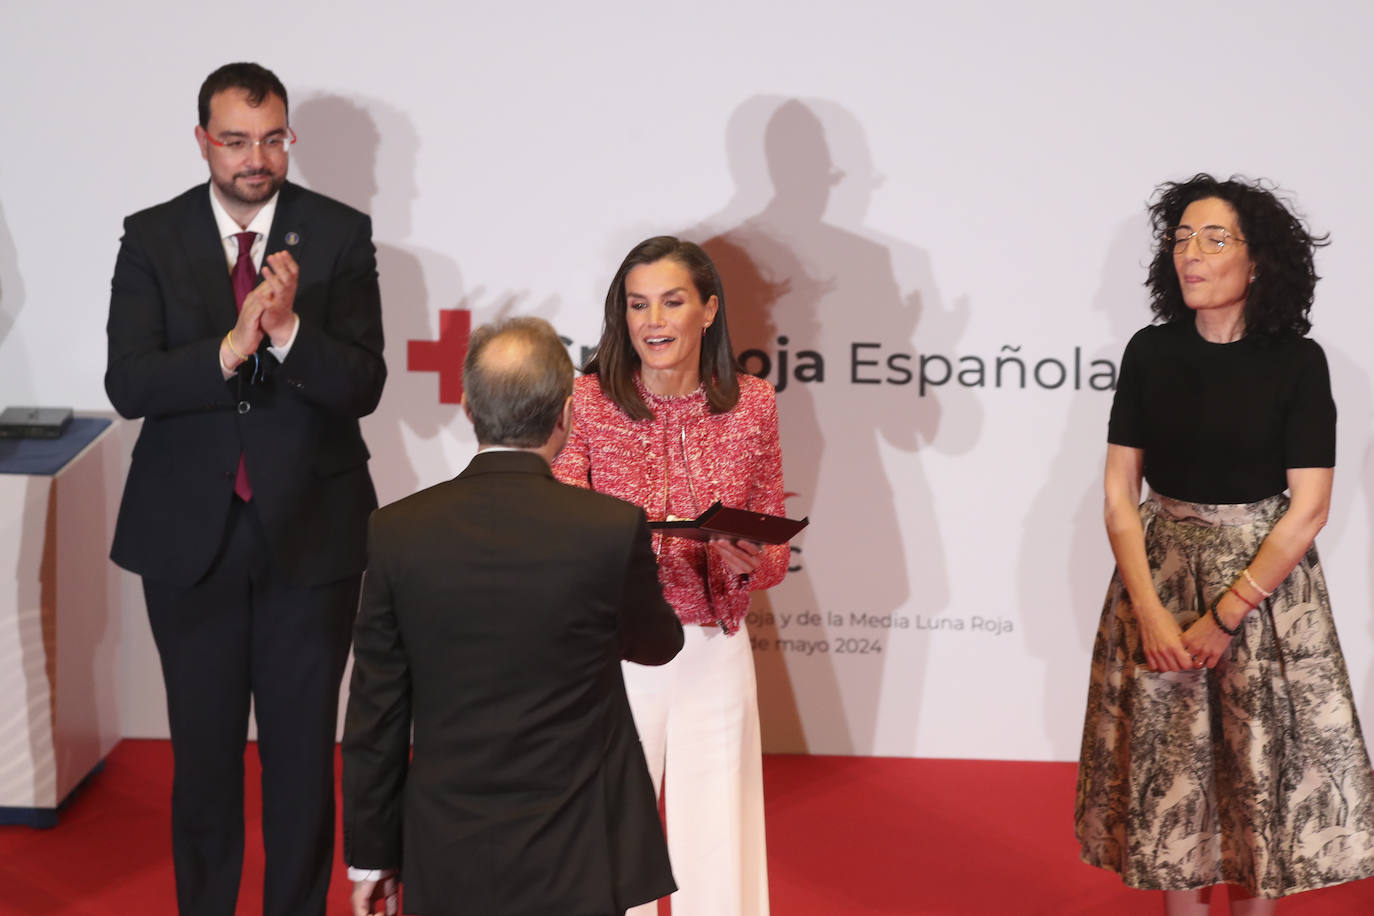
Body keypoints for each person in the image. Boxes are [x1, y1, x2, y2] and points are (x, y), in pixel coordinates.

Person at [104, 62, 385, 916]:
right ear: (203, 142)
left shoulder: (339, 234)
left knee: (302, 756)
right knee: (204, 754)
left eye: (272, 138)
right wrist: (229, 348)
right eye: (235, 141)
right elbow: (130, 384)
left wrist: (292, 330)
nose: (256, 158)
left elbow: (365, 385)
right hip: (191, 540)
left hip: (311, 533)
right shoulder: (151, 238)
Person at [1074, 174, 1374, 914]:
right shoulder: (1150, 352)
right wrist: (1149, 610)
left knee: (1255, 775)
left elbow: (1307, 510)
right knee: (1172, 772)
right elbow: (1119, 492)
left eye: (1215, 238)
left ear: (1260, 259)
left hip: (1265, 589)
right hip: (1160, 576)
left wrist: (1224, 614)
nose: (1192, 254)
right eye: (1181, 238)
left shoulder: (1297, 362)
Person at [341, 316, 683, 916]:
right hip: (579, 839)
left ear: (468, 410)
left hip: (445, 840)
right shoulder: (608, 528)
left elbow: (376, 714)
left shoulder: (397, 532)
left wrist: (372, 854)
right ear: (566, 415)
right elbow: (658, 643)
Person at [552, 236, 789, 916]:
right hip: (614, 648)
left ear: (708, 311)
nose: (653, 321)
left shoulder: (752, 404)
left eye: (672, 302)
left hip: (714, 648)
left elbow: (772, 535)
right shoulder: (590, 400)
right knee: (606, 834)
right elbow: (561, 520)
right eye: (638, 305)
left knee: (718, 838)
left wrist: (753, 559)